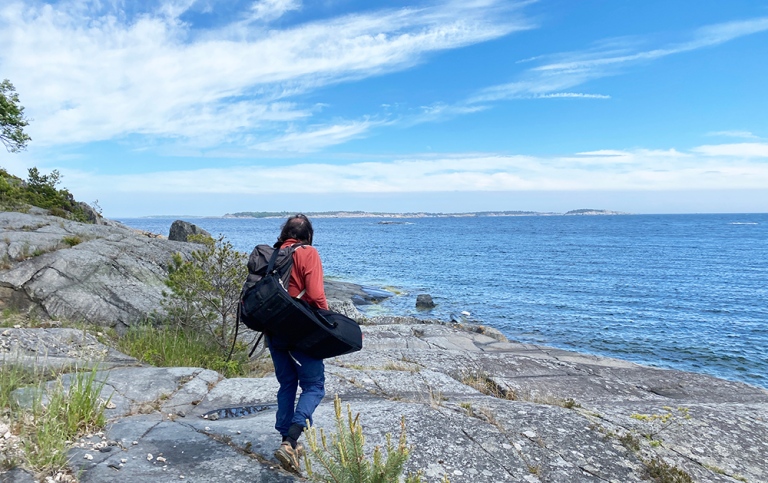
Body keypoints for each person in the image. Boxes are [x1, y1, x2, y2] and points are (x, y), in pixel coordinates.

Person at [269, 214, 328, 474]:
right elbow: (315, 295)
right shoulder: (307, 252)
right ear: (308, 234)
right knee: (314, 385)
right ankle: (291, 440)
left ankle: (285, 441)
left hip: (273, 329)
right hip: (300, 329)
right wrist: (327, 321)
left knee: (287, 384)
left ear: (285, 232)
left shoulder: (273, 253)